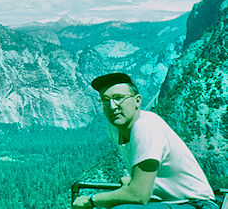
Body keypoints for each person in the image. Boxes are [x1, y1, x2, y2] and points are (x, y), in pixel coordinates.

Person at [72, 72, 217, 209]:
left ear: (137, 101)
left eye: (118, 98)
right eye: (105, 100)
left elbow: (139, 195)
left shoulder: (146, 126)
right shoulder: (115, 129)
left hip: (196, 204)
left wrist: (92, 199)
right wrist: (132, 181)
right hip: (170, 202)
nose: (112, 106)